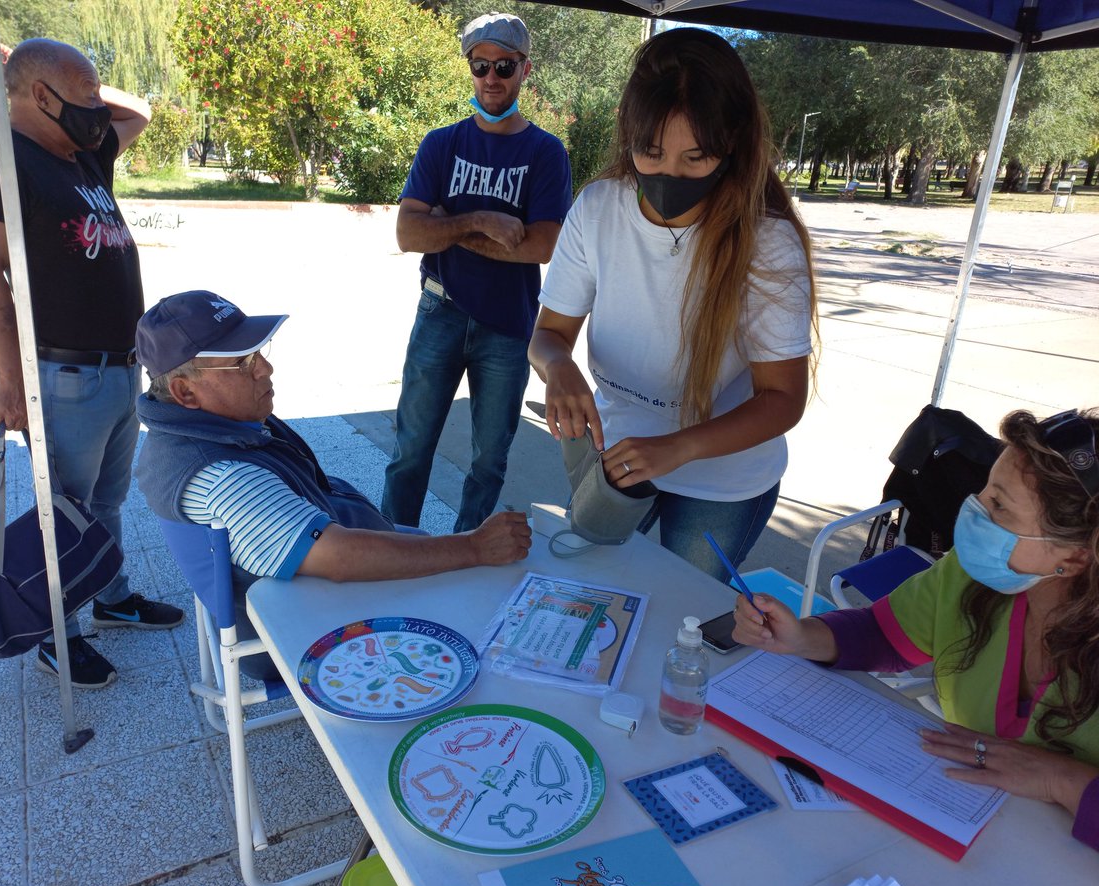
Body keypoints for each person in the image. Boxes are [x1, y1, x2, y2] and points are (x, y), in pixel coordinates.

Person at [734, 409, 1099, 851]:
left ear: (1076, 557)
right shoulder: (971, 575)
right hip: (968, 828)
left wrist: (1062, 779)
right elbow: (885, 633)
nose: (974, 509)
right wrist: (803, 636)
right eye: (985, 489)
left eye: (999, 506)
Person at [528, 28, 817, 582]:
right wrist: (558, 369)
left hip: (724, 479)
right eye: (652, 153)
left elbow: (782, 399)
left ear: (731, 144)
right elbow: (548, 335)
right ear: (628, 135)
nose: (669, 177)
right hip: (616, 460)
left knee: (678, 623)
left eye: (696, 157)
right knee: (590, 594)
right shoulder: (597, 208)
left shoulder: (766, 241)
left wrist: (678, 448)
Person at [134, 290, 533, 678]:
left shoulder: (212, 426)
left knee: (471, 568)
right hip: (301, 625)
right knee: (490, 604)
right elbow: (340, 558)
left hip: (316, 589)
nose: (264, 369)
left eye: (259, 353)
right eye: (242, 363)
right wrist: (473, 547)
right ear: (185, 392)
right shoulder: (219, 474)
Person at [0, 38, 183, 690]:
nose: (94, 106)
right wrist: (10, 376)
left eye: (93, 93)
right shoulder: (0, 162)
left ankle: (111, 598)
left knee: (104, 503)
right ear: (37, 96)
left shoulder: (81, 154)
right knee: (64, 511)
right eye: (79, 94)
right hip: (64, 375)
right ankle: (63, 635)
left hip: (118, 369)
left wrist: (81, 92)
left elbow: (136, 112)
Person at [381, 12, 572, 534]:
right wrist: (486, 222)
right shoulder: (441, 144)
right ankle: (392, 550)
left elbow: (543, 244)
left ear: (524, 70)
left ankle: (468, 551)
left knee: (489, 462)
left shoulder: (546, 153)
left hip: (509, 328)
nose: (491, 78)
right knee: (410, 452)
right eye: (480, 65)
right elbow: (407, 234)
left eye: (504, 65)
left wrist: (445, 226)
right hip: (439, 311)